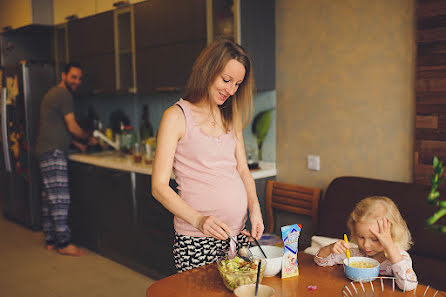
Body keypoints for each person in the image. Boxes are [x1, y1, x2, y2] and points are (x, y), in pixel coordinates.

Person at [151, 39, 264, 272]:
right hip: (196, 239)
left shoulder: (230, 116)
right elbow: (159, 186)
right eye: (226, 80)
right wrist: (199, 220)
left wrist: (255, 208)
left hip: (236, 236)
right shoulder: (176, 116)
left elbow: (242, 169)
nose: (231, 90)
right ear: (208, 70)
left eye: (237, 84)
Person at [35, 62, 97, 256]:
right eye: (73, 77)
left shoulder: (53, 93)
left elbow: (58, 128)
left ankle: (51, 240)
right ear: (63, 76)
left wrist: (77, 145)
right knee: (60, 199)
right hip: (53, 153)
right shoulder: (64, 95)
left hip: (45, 149)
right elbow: (72, 127)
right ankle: (64, 244)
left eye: (79, 78)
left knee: (49, 199)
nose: (77, 81)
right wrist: (88, 137)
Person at [314, 196, 417, 290]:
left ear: (392, 236)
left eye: (375, 239)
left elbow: (408, 286)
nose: (366, 245)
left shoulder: (400, 258)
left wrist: (390, 247)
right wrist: (329, 248)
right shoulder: (354, 255)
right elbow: (320, 261)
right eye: (361, 237)